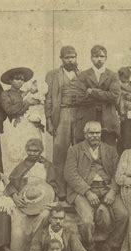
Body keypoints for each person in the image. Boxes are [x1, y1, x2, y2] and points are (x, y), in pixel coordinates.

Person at [64, 121, 128, 251]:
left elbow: (119, 172)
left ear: (101, 134)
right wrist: (87, 191)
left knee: (123, 215)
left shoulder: (110, 150)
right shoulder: (75, 150)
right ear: (85, 134)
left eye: (97, 133)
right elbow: (70, 174)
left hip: (106, 188)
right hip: (83, 191)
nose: (94, 136)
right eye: (91, 133)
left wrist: (112, 191)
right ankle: (91, 249)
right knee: (86, 220)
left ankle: (110, 245)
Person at [5, 138, 58, 251]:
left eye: (36, 151)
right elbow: (11, 184)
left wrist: (52, 200)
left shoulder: (48, 166)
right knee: (16, 217)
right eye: (30, 150)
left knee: (44, 215)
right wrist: (15, 196)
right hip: (24, 201)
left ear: (41, 151)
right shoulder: (22, 165)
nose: (33, 153)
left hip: (43, 200)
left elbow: (54, 186)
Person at [44, 46, 80, 202]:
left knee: (79, 151)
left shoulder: (81, 74)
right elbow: (49, 99)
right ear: (61, 58)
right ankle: (61, 190)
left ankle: (77, 189)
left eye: (72, 57)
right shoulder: (53, 75)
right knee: (60, 153)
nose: (70, 60)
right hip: (62, 114)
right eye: (67, 57)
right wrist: (49, 120)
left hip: (79, 115)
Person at [73, 45, 121, 146]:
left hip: (108, 119)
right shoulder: (83, 75)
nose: (99, 59)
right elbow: (80, 98)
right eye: (95, 56)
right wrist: (104, 96)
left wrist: (93, 92)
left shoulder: (112, 75)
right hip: (88, 116)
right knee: (86, 148)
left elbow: (115, 95)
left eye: (102, 56)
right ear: (91, 58)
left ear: (106, 58)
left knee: (108, 148)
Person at [0, 67, 44, 175]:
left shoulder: (27, 94)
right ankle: (15, 181)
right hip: (16, 127)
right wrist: (26, 103)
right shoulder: (6, 94)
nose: (20, 81)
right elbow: (9, 110)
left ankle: (31, 179)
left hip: (29, 127)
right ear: (10, 80)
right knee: (15, 153)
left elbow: (38, 106)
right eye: (16, 78)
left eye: (22, 79)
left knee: (30, 151)